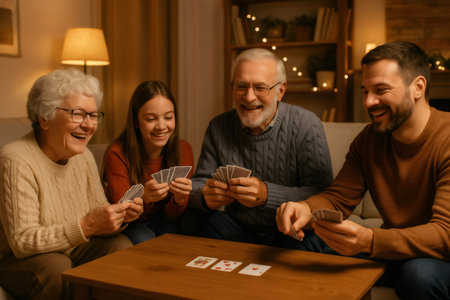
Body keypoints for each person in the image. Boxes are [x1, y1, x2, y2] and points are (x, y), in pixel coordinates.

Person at [277, 41, 450, 300]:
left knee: (419, 275)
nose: (369, 102)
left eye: (381, 90)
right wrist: (305, 208)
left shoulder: (446, 138)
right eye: (365, 91)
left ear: (418, 87)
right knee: (298, 243)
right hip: (392, 250)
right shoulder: (370, 139)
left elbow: (445, 233)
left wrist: (370, 240)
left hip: (439, 257)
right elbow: (338, 198)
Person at [0, 69, 143, 300]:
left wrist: (119, 217)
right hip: (17, 260)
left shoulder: (83, 156)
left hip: (72, 248)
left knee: (120, 246)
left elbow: (97, 210)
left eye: (94, 115)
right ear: (44, 118)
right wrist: (86, 226)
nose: (89, 125)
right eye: (78, 114)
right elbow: (22, 241)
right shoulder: (16, 159)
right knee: (56, 267)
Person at [182, 48, 333, 248]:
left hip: (289, 231)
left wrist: (267, 195)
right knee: (193, 220)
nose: (249, 97)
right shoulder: (218, 126)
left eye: (260, 87)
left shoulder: (306, 124)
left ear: (281, 90)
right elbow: (199, 183)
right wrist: (205, 197)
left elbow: (324, 194)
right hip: (237, 228)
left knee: (315, 239)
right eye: (241, 86)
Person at [102, 81, 194, 245]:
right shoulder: (116, 153)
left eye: (168, 117)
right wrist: (144, 197)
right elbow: (123, 216)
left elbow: (174, 217)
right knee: (144, 238)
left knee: (178, 234)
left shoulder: (183, 149)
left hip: (165, 221)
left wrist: (180, 199)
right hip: (130, 223)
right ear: (136, 122)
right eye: (151, 119)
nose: (161, 126)